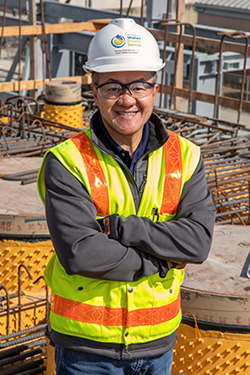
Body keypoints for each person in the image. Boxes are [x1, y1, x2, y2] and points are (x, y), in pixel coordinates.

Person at [37, 18, 216, 375]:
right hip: (87, 352)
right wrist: (162, 261)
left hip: (159, 345)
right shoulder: (67, 162)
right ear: (94, 88)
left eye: (138, 86)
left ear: (155, 88)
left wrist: (123, 228)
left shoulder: (186, 157)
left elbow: (197, 243)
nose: (127, 100)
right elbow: (81, 254)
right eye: (113, 87)